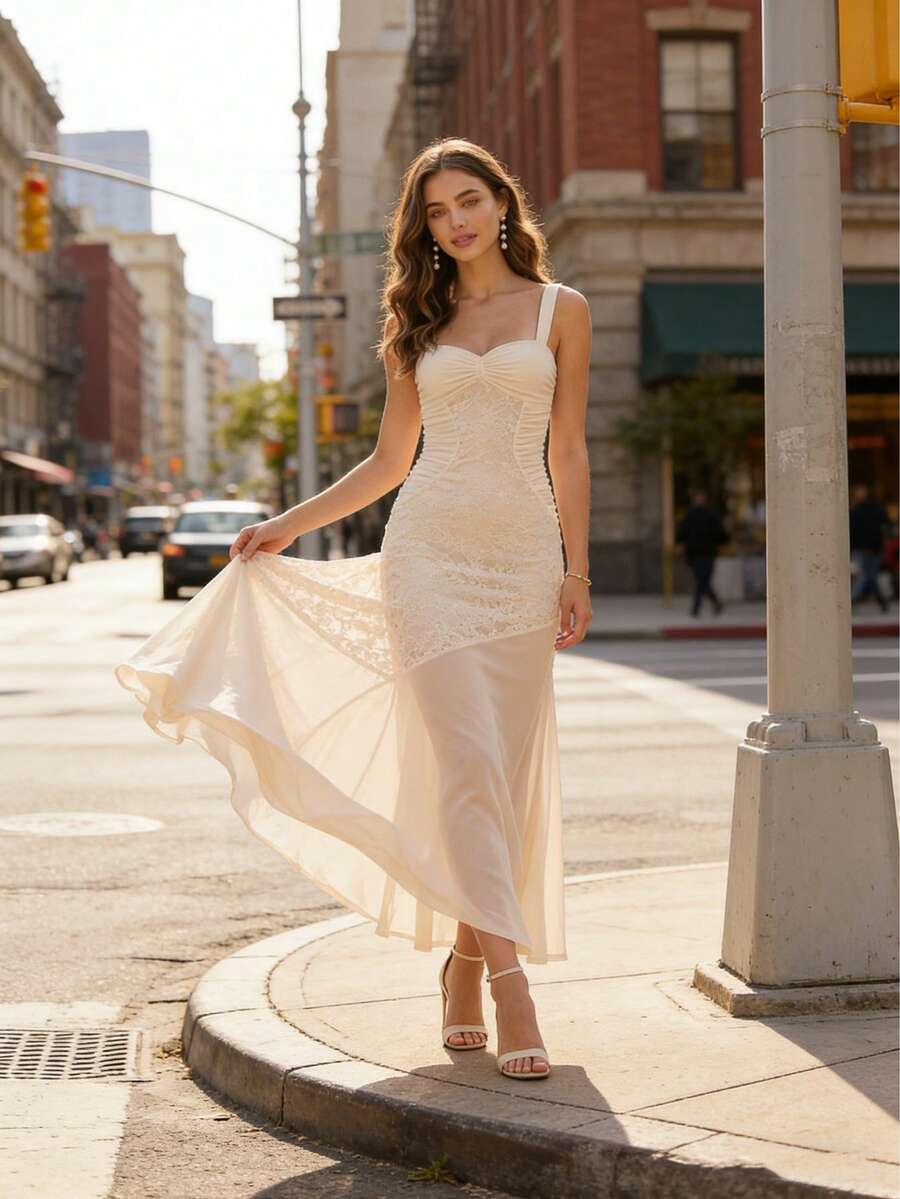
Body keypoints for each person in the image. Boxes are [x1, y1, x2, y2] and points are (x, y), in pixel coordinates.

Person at [114, 138, 593, 1082]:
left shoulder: (561, 309)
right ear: (424, 229)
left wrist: (575, 570)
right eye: (435, 211)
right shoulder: (416, 323)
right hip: (426, 560)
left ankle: (461, 959)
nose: (454, 221)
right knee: (464, 764)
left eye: (468, 199)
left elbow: (568, 449)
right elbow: (387, 464)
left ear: (503, 201)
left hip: (524, 561)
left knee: (496, 773)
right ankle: (510, 984)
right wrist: (286, 524)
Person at [675, 489, 729, 617]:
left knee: (702, 581)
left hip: (708, 553)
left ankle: (696, 608)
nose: (699, 499)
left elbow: (721, 535)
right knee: (702, 581)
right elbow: (682, 533)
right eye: (698, 497)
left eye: (701, 497)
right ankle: (715, 603)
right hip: (694, 555)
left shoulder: (711, 515)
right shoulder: (690, 515)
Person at [849, 483, 890, 613]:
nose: (860, 494)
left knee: (868, 577)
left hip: (875, 550)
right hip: (859, 550)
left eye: (861, 491)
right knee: (867, 577)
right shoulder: (853, 511)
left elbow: (886, 525)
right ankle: (881, 602)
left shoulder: (876, 509)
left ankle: (853, 601)